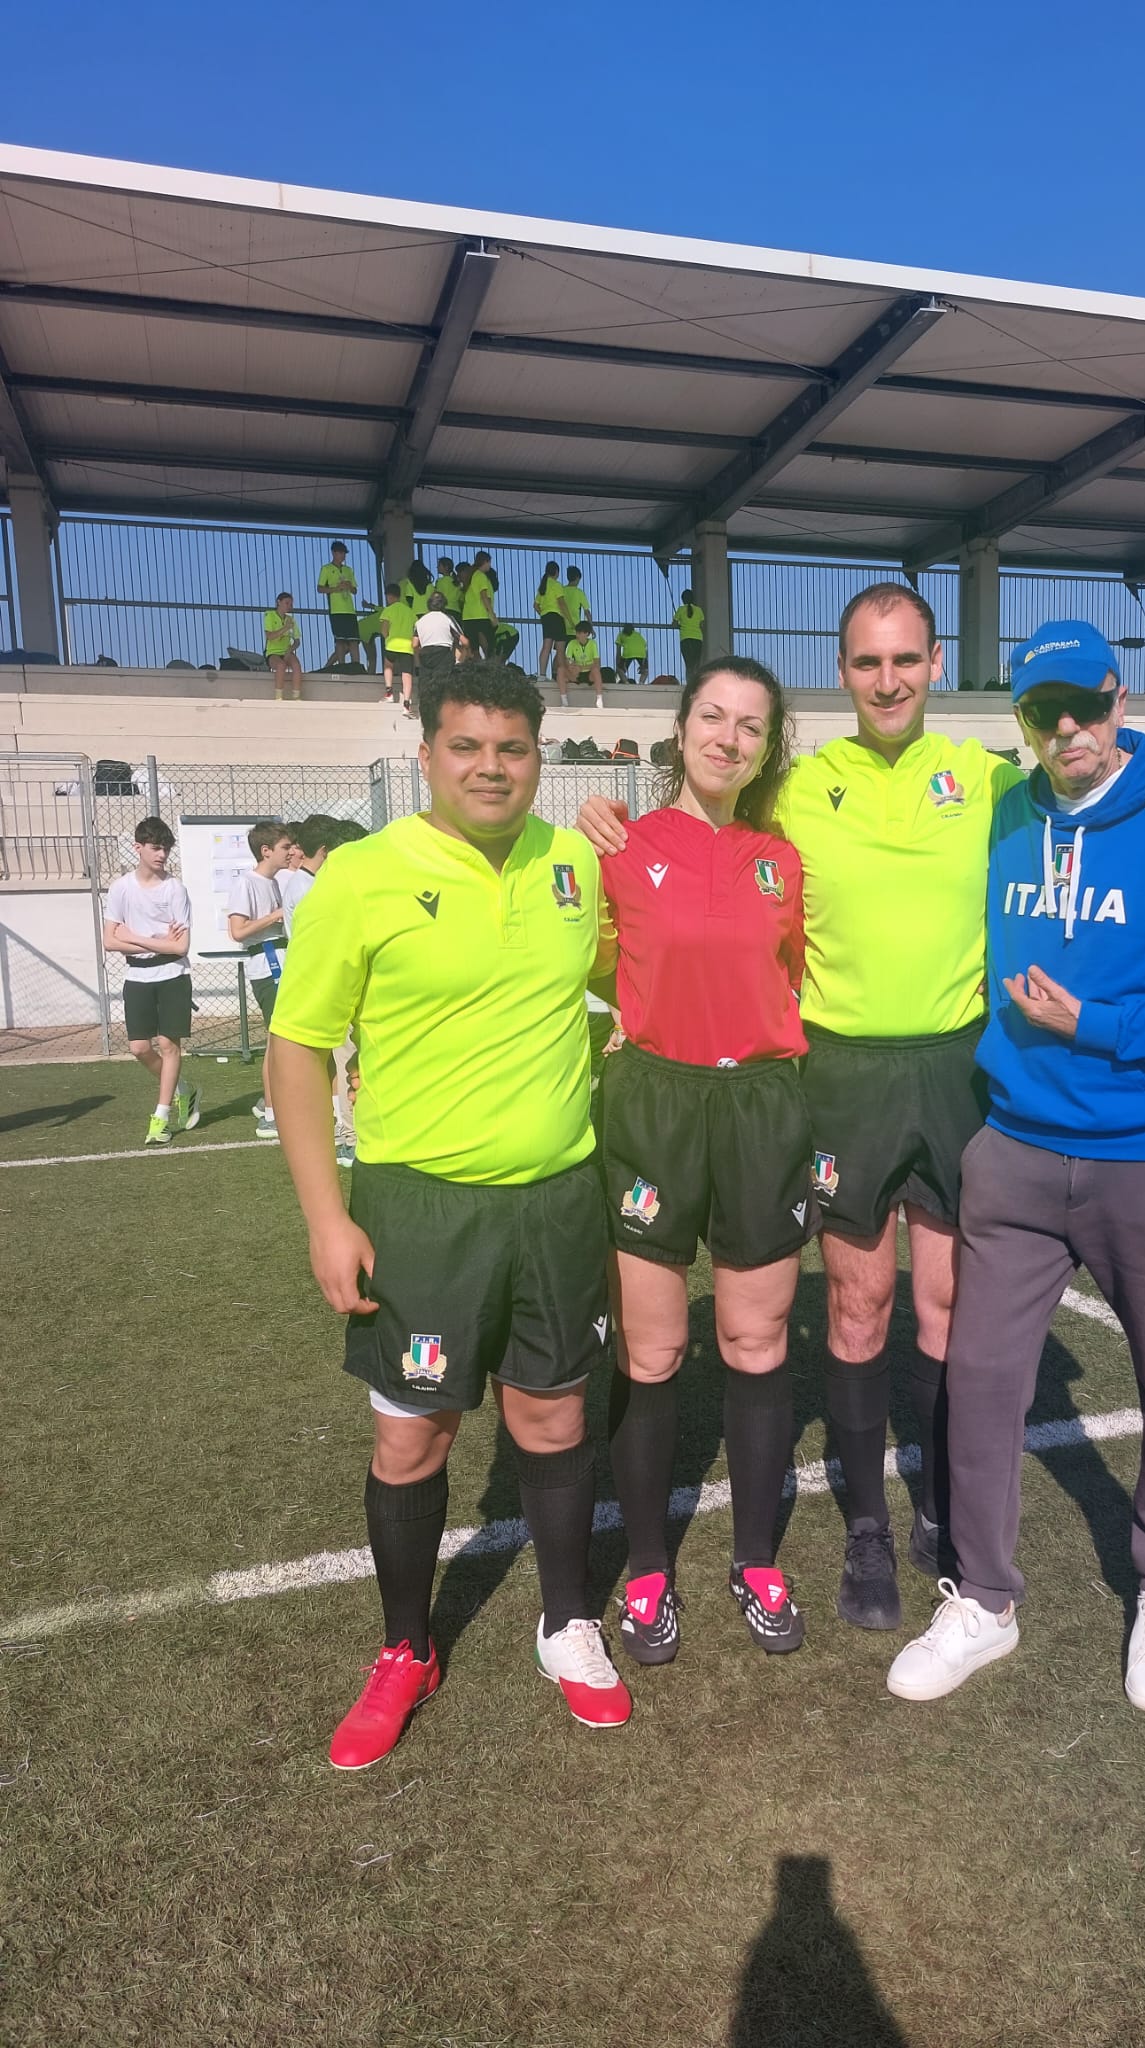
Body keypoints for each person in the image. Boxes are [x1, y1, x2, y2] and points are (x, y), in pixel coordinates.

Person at [577, 585, 1145, 1634]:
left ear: (933, 665)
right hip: (840, 1073)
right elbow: (696, 838)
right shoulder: (797, 788)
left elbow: (1080, 754)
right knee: (858, 1304)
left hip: (958, 1067)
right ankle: (867, 1530)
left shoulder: (987, 774)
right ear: (843, 672)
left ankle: (946, 1512)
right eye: (868, 662)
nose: (887, 680)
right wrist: (602, 814)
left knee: (947, 1306)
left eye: (906, 660)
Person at [886, 622, 1145, 1713]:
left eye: (1084, 704)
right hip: (1014, 1150)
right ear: (1021, 720)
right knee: (980, 1381)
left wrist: (1096, 1023)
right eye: (1040, 710)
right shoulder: (1008, 808)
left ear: (1119, 700)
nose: (1066, 727)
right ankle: (984, 1599)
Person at [268, 662, 631, 1767]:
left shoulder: (574, 864)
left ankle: (566, 1623)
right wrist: (326, 1218)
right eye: (466, 747)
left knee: (553, 1422)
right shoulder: (363, 876)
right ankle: (406, 1647)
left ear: (538, 756)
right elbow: (298, 1047)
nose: (490, 767)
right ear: (426, 754)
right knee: (411, 1432)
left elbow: (629, 970)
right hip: (419, 1208)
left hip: (558, 1200)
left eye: (512, 748)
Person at [599, 655, 816, 1666]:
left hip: (762, 1107)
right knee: (651, 1353)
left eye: (751, 725)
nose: (729, 737)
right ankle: (648, 1570)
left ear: (767, 748)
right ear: (681, 727)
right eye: (714, 717)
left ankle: (756, 1559)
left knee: (756, 1340)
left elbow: (803, 978)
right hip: (653, 1104)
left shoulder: (787, 859)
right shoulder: (618, 844)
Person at [101, 816, 199, 1144]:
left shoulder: (175, 889)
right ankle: (183, 1089)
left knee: (169, 1046)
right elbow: (110, 941)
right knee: (139, 1048)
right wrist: (157, 940)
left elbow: (180, 947)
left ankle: (161, 1117)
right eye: (156, 848)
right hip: (137, 976)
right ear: (138, 847)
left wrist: (134, 937)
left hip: (173, 974)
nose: (162, 855)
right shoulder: (121, 888)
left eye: (166, 849)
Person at [279, 814, 366, 1167]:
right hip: (329, 984)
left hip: (332, 981)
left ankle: (347, 1130)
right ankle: (349, 1135)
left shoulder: (312, 884)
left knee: (344, 1058)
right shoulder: (311, 889)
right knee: (344, 1058)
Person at [227, 819, 295, 1140]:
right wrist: (274, 916)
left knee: (283, 1040)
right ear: (266, 851)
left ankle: (271, 1103)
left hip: (282, 961)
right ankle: (270, 1113)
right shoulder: (247, 883)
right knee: (275, 1041)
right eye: (285, 847)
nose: (290, 852)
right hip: (268, 966)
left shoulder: (275, 882)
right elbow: (237, 931)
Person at [317, 541, 361, 669]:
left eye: (344, 553)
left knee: (354, 639)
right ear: (333, 553)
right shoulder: (326, 569)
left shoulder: (348, 570)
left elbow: (355, 590)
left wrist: (349, 586)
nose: (343, 556)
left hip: (350, 610)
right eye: (340, 553)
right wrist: (336, 589)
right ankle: (342, 666)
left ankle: (356, 665)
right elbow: (320, 588)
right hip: (336, 610)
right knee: (340, 640)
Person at [379, 583, 419, 715]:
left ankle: (389, 693)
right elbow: (416, 627)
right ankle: (406, 704)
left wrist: (387, 637)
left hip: (392, 644)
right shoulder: (409, 611)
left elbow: (384, 630)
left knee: (388, 666)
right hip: (407, 647)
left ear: (389, 596)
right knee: (407, 675)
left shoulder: (388, 610)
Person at [414, 590, 464, 693]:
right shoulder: (448, 618)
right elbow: (464, 641)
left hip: (425, 655)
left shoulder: (420, 621)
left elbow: (414, 644)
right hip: (443, 654)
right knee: (443, 686)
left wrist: (418, 663)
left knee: (426, 687)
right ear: (444, 604)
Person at [558, 619, 605, 709]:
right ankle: (564, 701)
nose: (577, 635)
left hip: (589, 674)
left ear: (587, 634)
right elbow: (568, 661)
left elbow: (597, 664)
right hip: (576, 674)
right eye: (577, 633)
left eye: (579, 633)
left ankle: (599, 699)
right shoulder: (572, 643)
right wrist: (572, 666)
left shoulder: (593, 644)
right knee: (561, 670)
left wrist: (581, 667)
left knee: (596, 670)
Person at [263, 592, 302, 701]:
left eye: (291, 604)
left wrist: (290, 650)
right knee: (281, 665)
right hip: (273, 652)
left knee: (296, 665)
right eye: (287, 603)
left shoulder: (291, 619)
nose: (289, 606)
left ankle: (297, 696)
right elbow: (269, 636)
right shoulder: (269, 615)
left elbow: (297, 641)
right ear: (278, 602)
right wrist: (285, 628)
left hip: (286, 651)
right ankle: (279, 696)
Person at [461, 550, 499, 658]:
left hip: (468, 616)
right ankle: (490, 665)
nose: (490, 565)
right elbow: (484, 596)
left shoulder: (471, 576)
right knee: (491, 645)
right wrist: (492, 615)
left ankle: (478, 664)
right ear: (485, 562)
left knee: (474, 647)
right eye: (489, 562)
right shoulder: (481, 576)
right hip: (481, 615)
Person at [535, 560, 565, 678]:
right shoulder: (557, 585)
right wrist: (569, 620)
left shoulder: (542, 586)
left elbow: (535, 605)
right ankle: (562, 675)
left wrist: (543, 614)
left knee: (546, 647)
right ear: (556, 572)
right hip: (556, 617)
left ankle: (542, 675)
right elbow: (561, 603)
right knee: (560, 649)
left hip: (546, 617)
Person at [673, 589, 705, 683]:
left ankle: (689, 682)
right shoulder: (699, 610)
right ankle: (697, 682)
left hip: (685, 639)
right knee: (696, 663)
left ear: (683, 599)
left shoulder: (680, 609)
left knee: (688, 664)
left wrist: (680, 625)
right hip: (697, 639)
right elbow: (702, 625)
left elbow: (674, 624)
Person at [559, 565, 592, 642]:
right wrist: (590, 627)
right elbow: (587, 612)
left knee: (560, 649)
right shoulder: (579, 593)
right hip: (575, 629)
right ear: (577, 578)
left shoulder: (561, 590)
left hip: (561, 627)